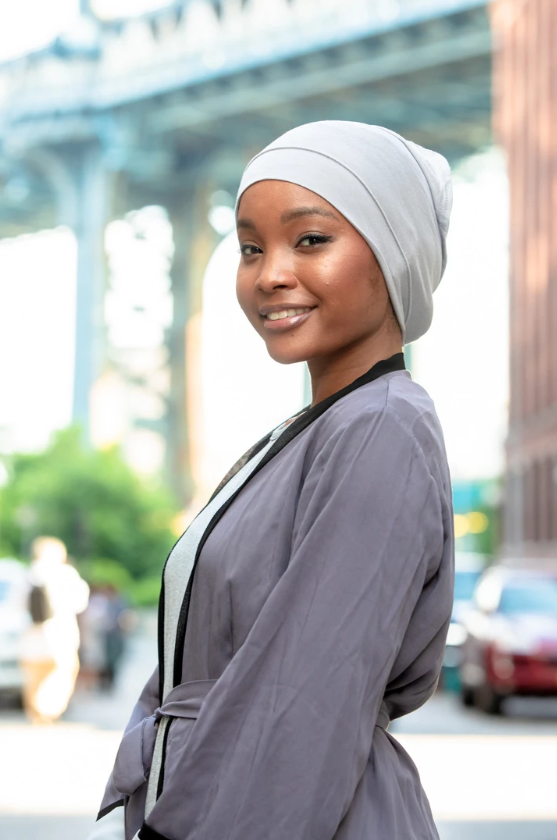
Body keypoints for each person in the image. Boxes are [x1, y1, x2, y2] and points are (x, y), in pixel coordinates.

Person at [89, 121, 455, 840]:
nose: (269, 274)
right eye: (250, 247)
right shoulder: (320, 430)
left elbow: (306, 696)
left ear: (394, 251)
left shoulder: (380, 426)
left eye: (309, 240)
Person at [20, 536, 89, 723]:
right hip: (61, 637)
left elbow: (17, 604)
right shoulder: (66, 574)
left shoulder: (27, 574)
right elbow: (80, 602)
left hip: (32, 639)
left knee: (34, 679)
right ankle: (48, 710)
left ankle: (36, 712)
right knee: (62, 674)